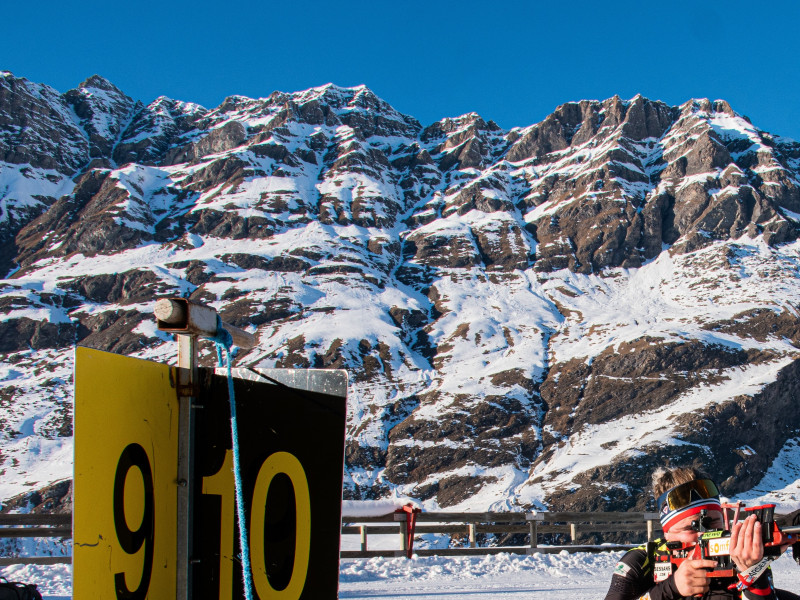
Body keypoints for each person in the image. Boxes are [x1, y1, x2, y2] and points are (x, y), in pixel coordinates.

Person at [604, 466, 798, 600]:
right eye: (691, 528)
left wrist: (752, 573)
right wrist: (670, 589)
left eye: (714, 522)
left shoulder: (741, 553)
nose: (707, 534)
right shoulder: (641, 561)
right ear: (667, 532)